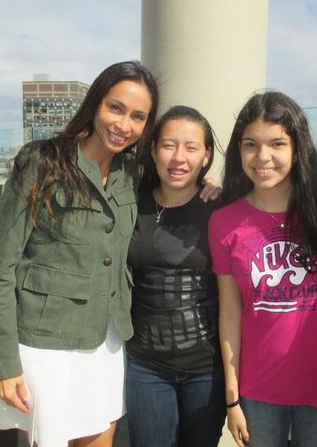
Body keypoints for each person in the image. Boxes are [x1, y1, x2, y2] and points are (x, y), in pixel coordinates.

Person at [0, 61, 159, 447]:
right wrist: (2, 361)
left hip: (107, 339)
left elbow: (181, 176)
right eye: (116, 108)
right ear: (95, 104)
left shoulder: (132, 172)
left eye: (138, 117)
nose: (123, 125)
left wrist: (209, 184)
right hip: (46, 340)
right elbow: (2, 268)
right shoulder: (41, 161)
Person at [208, 91, 317, 447]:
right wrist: (232, 396)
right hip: (258, 390)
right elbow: (229, 314)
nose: (262, 157)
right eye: (250, 144)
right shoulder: (225, 222)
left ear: (297, 149)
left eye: (277, 144)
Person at [125, 105, 226, 446]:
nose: (178, 157)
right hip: (144, 365)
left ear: (207, 155)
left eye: (192, 147)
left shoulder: (222, 209)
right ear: (152, 149)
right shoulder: (129, 205)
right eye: (169, 145)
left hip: (207, 367)